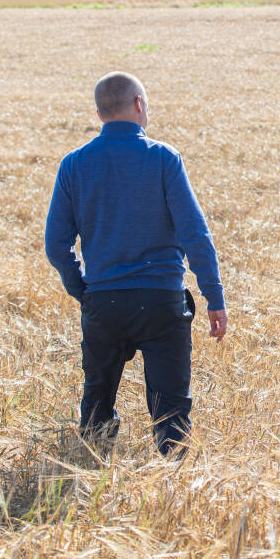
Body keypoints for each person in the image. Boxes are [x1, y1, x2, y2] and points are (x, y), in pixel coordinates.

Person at [45, 71, 227, 458]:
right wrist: (214, 296)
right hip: (162, 302)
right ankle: (175, 487)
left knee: (96, 401)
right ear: (140, 105)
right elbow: (196, 235)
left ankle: (87, 483)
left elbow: (56, 245)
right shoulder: (163, 158)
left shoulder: (74, 164)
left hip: (104, 303)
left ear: (99, 114)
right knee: (172, 410)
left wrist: (84, 291)